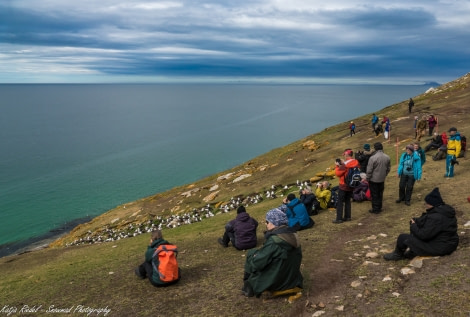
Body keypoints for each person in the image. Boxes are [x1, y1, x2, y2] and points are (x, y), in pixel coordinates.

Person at [242, 208, 303, 297]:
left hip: (278, 281)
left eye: (267, 221)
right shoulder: (292, 235)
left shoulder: (275, 241)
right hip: (292, 279)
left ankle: (249, 284)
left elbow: (257, 263)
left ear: (274, 223)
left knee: (252, 253)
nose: (266, 224)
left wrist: (254, 256)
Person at [384, 187, 459, 261]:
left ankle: (398, 255)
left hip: (441, 247)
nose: (425, 204)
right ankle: (413, 251)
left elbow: (423, 235)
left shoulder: (436, 217)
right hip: (448, 243)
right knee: (415, 231)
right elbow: (428, 223)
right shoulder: (444, 211)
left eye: (426, 203)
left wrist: (413, 225)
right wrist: (416, 221)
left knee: (403, 238)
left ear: (431, 204)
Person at [332, 149, 360, 223]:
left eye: (344, 154)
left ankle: (339, 218)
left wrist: (337, 166)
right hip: (352, 184)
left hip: (343, 185)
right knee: (348, 200)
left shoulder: (345, 164)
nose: (344, 156)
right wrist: (343, 163)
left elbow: (338, 173)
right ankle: (348, 217)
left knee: (340, 201)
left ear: (346, 154)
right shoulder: (355, 161)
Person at [366, 142, 391, 214]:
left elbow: (369, 170)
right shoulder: (387, 157)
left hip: (373, 179)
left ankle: (375, 208)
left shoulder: (372, 158)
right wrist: (384, 174)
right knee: (380, 193)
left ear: (375, 148)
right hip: (382, 178)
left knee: (374, 194)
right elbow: (388, 168)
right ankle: (379, 207)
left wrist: (368, 178)